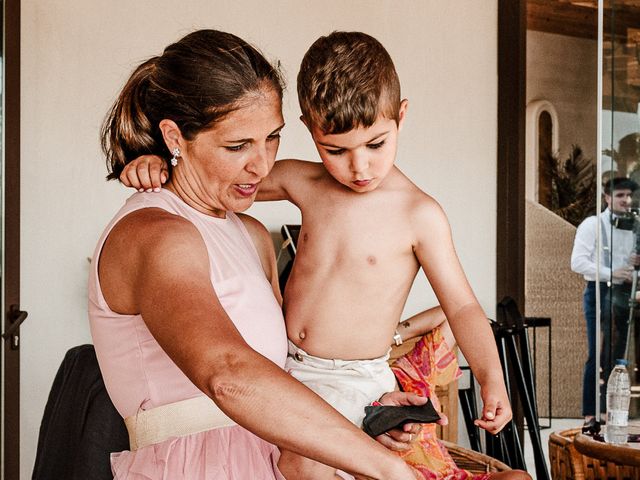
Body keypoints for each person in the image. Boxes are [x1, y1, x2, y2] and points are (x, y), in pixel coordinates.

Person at [122, 31, 528, 480]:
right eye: (335, 150)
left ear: (401, 117)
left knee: (306, 463)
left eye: (376, 144)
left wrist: (493, 379)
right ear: (309, 129)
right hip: (290, 373)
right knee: (299, 463)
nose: (359, 168)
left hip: (358, 378)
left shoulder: (419, 214)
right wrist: (157, 164)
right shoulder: (307, 184)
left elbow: (464, 306)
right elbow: (217, 181)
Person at [91, 29, 423, 480]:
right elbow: (227, 372)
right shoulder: (155, 233)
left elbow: (287, 377)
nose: (263, 165)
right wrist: (388, 470)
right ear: (174, 137)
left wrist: (361, 415)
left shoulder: (249, 235)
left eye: (273, 138)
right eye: (237, 146)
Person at [571, 176, 640, 427]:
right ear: (607, 198)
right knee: (596, 355)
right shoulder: (592, 225)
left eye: (629, 196)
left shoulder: (635, 225)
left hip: (625, 294)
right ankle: (591, 414)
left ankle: (615, 414)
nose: (626, 200)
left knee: (618, 356)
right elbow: (577, 262)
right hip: (599, 291)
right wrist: (612, 273)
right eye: (620, 195)